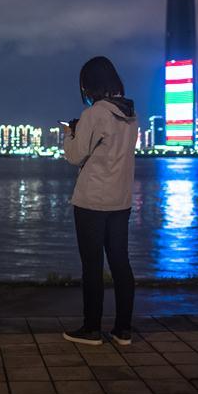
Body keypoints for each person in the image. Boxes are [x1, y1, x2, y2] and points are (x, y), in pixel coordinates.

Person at [61, 56, 139, 346]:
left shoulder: (95, 114)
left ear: (89, 84)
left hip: (92, 200)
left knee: (92, 266)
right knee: (120, 263)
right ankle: (123, 329)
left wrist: (70, 133)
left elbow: (74, 155)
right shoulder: (130, 114)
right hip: (121, 199)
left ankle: (92, 328)